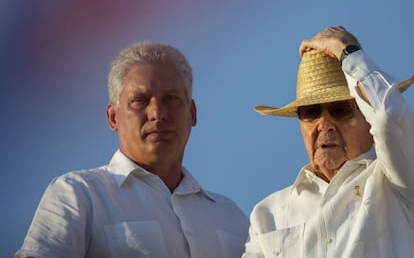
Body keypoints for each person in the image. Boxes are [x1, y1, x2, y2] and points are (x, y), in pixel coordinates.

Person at [16, 42, 249, 258]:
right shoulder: (79, 195)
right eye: (140, 100)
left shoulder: (232, 218)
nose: (158, 113)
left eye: (171, 98)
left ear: (193, 113)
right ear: (113, 117)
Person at [243, 26, 414, 258]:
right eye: (311, 112)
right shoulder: (267, 214)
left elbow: (389, 117)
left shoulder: (398, 182)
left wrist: (346, 50)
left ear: (366, 116)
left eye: (341, 109)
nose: (325, 124)